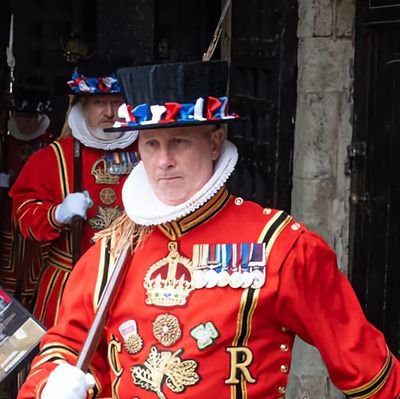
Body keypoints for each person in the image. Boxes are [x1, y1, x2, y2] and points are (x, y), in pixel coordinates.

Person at [17, 60, 400, 399]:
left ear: (215, 142)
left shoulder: (280, 246)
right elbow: (67, 343)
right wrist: (52, 382)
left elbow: (369, 372)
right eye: (151, 144)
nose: (163, 161)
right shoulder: (113, 248)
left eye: (178, 142)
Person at [9, 64, 138, 329]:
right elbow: (22, 213)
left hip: (132, 280)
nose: (110, 112)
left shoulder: (149, 151)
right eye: (99, 102)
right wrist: (56, 214)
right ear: (81, 105)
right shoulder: (51, 157)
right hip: (67, 283)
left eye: (117, 102)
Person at [0, 87, 54, 309]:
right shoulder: (4, 143)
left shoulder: (51, 146)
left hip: (37, 218)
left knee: (36, 269)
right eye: (22, 116)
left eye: (32, 117)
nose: (27, 123)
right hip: (6, 218)